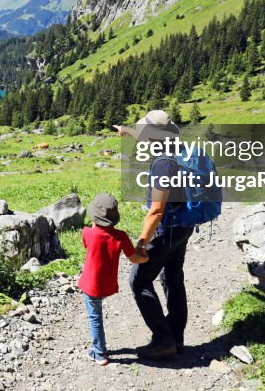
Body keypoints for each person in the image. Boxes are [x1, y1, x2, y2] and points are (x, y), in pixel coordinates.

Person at [115, 109, 194, 361]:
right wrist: (126, 131)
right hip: (184, 223)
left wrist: (140, 244)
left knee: (138, 281)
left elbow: (157, 210)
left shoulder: (163, 164)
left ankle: (163, 340)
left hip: (167, 229)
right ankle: (176, 337)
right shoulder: (179, 150)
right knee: (172, 277)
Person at [77, 192, 148, 366]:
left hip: (91, 285)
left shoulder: (87, 233)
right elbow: (133, 258)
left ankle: (99, 353)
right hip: (107, 285)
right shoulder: (121, 236)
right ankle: (99, 347)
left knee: (95, 317)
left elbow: (87, 243)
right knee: (97, 316)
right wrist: (145, 258)